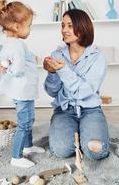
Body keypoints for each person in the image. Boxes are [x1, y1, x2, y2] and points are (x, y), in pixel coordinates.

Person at [43, 9, 110, 160]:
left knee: (95, 151)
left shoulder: (98, 58)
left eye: (70, 25)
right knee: (61, 151)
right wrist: (52, 73)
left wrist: (63, 70)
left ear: (82, 27)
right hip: (64, 110)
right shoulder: (56, 55)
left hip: (90, 110)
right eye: (63, 25)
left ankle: (88, 130)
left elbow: (85, 91)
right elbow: (52, 92)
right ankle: (74, 131)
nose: (64, 30)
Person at [0, 0, 45, 168]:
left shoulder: (10, 43)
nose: (30, 29)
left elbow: (3, 59)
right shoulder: (17, 45)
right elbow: (18, 69)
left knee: (28, 120)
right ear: (16, 26)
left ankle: (28, 146)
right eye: (28, 25)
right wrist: (8, 68)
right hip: (23, 91)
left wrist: (5, 65)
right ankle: (16, 157)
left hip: (23, 91)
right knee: (24, 123)